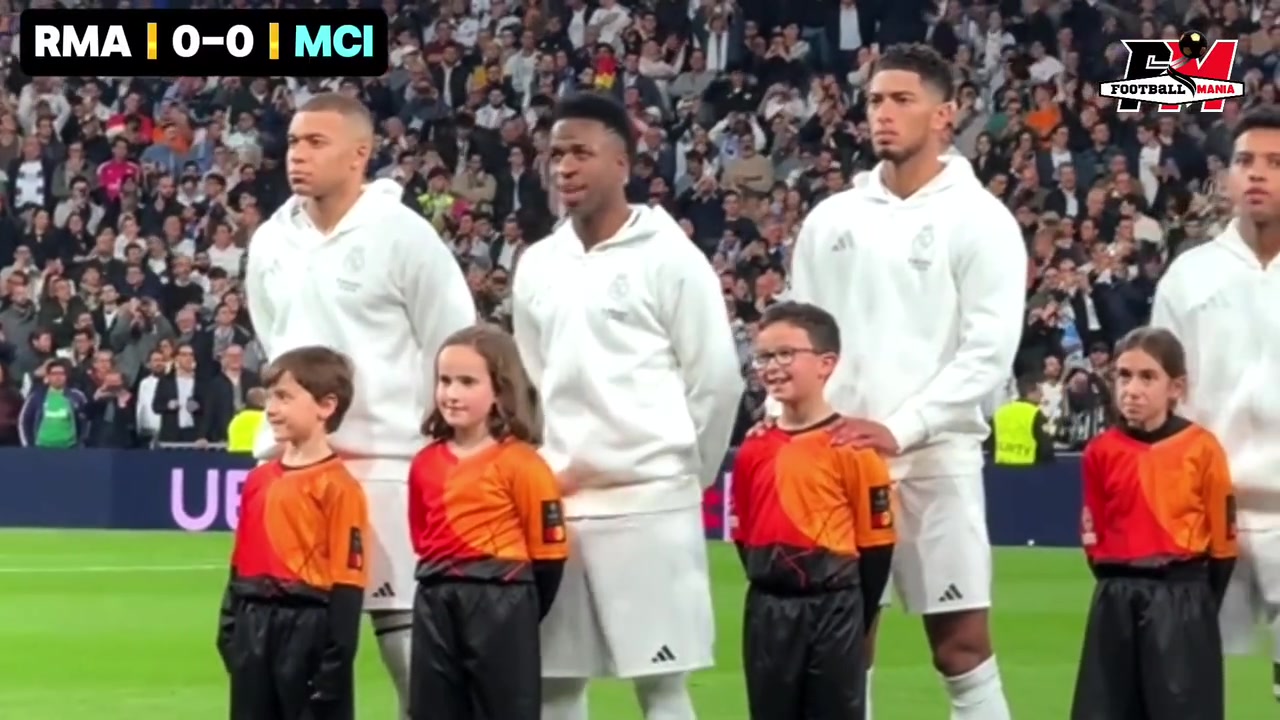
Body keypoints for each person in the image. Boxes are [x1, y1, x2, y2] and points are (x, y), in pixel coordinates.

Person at [781, 44, 1026, 720]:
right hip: (839, 464)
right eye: (874, 101)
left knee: (961, 649)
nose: (883, 114)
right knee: (845, 645)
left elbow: (989, 352)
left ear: (945, 114)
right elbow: (800, 339)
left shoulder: (981, 220)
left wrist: (903, 426)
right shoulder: (831, 219)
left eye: (901, 100)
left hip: (935, 461)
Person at [512, 92, 743, 720]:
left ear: (623, 164)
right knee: (555, 683)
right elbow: (534, 378)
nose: (565, 167)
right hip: (562, 502)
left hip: (651, 501)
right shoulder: (538, 264)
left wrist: (685, 474)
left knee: (661, 684)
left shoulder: (671, 258)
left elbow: (716, 380)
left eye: (581, 153)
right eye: (556, 154)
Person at [244, 92, 476, 717]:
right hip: (292, 475)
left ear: (359, 154)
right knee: (293, 655)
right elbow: (276, 342)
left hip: (386, 466)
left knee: (409, 651)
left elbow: (453, 342)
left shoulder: (405, 236)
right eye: (294, 141)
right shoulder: (270, 241)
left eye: (316, 142)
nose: (297, 154)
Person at [1149, 104, 1280, 704]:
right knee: (1188, 691)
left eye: (1275, 162)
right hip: (1204, 513)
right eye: (1245, 160)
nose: (1257, 174)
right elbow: (1158, 397)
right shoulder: (1189, 276)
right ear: (1226, 175)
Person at [732, 301, 895, 719]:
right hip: (768, 612)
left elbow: (877, 548)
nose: (772, 367)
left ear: (826, 364)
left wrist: (855, 619)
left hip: (834, 608)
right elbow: (744, 536)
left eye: (786, 354)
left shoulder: (853, 449)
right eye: (764, 357)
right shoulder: (754, 449)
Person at [1071, 327, 1236, 719]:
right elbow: (1093, 533)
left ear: (1175, 387)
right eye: (1124, 376)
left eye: (1147, 377)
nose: (1132, 389)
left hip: (1181, 595)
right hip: (1115, 596)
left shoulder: (1201, 448)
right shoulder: (1100, 451)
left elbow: (1223, 542)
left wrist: (1193, 601)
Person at [407, 325, 567, 720]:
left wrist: (517, 610)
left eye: (467, 382)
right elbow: (421, 534)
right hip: (435, 597)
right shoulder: (425, 463)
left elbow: (549, 556)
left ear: (500, 390)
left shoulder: (523, 464)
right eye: (444, 380)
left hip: (502, 598)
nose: (451, 393)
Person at [215, 346, 369, 720]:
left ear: (326, 406)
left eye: (284, 397)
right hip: (253, 622)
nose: (271, 408)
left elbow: (348, 580)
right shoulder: (258, 480)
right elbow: (241, 559)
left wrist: (335, 659)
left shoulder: (339, 487)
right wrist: (229, 628)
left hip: (307, 626)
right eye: (270, 397)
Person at [988, 375, 1055, 467]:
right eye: (1040, 391)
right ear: (1031, 392)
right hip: (1029, 469)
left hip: (1001, 468)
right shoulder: (1035, 414)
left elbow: (988, 440)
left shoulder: (1000, 412)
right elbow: (1045, 446)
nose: (1042, 395)